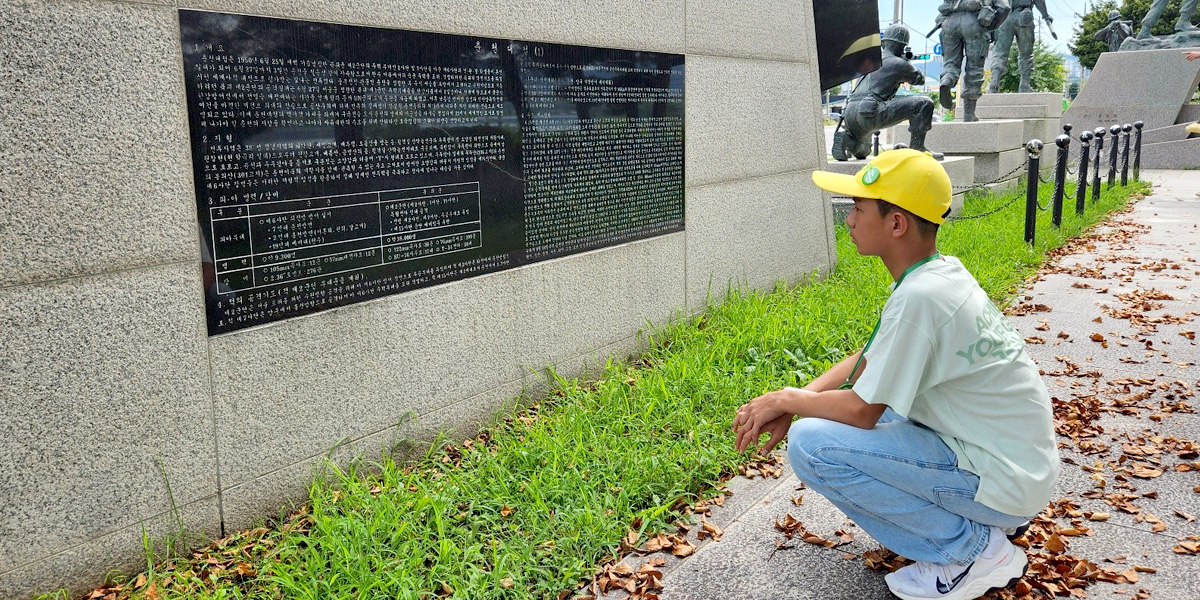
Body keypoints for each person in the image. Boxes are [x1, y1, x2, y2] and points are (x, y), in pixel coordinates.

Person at [732, 149, 1059, 600]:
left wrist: (785, 401)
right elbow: (867, 359)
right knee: (825, 418)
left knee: (813, 444)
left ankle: (973, 550)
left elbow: (864, 411)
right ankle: (976, 528)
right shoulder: (937, 275)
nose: (848, 219)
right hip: (1015, 467)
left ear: (897, 223)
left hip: (1002, 479)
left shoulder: (921, 298)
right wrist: (796, 397)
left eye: (858, 208)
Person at [833, 25, 935, 161]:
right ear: (902, 46)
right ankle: (917, 147)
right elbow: (919, 80)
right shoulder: (897, 63)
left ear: (884, 42)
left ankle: (849, 141)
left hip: (851, 111)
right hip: (870, 111)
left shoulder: (870, 61)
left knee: (862, 151)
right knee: (925, 103)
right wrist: (906, 62)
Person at [937, 0, 1011, 121]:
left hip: (949, 23)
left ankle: (946, 81)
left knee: (951, 65)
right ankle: (969, 114)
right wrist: (991, 26)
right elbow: (1004, 7)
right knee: (974, 69)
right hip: (974, 22)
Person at [987, 0, 1052, 93]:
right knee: (1026, 54)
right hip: (1023, 16)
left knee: (999, 53)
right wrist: (1045, 15)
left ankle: (994, 83)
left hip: (1004, 18)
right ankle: (1024, 85)